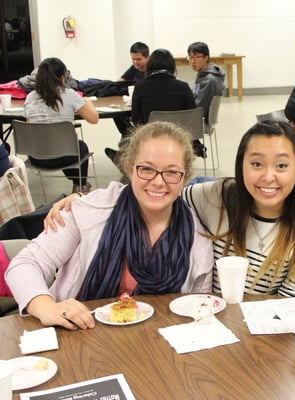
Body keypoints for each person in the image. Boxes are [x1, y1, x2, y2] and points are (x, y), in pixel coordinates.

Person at [44, 121, 295, 297]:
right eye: (256, 164)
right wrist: (86, 198)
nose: (268, 176)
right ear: (240, 167)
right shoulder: (217, 197)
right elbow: (159, 190)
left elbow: (289, 306)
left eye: (281, 165)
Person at [6, 121, 214, 330]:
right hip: (79, 334)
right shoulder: (90, 211)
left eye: (171, 172)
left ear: (185, 177)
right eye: (146, 169)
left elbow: (197, 315)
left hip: (157, 344)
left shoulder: (197, 242)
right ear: (130, 168)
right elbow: (24, 264)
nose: (158, 182)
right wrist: (47, 307)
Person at [23, 57, 98, 193]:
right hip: (65, 155)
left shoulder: (30, 97)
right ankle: (79, 185)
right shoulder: (69, 94)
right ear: (62, 78)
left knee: (61, 143)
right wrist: (87, 102)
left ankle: (78, 183)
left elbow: (30, 126)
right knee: (78, 146)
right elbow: (94, 119)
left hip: (36, 157)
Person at [107, 42, 151, 161]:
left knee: (128, 123)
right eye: (133, 59)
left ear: (148, 57)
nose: (136, 62)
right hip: (132, 105)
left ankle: (126, 152)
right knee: (117, 115)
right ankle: (127, 147)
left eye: (139, 59)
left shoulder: (151, 71)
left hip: (144, 110)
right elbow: (119, 82)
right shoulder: (134, 68)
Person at [130, 48, 195, 125]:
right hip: (177, 134)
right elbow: (193, 115)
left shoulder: (140, 88)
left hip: (150, 135)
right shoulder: (183, 87)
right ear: (171, 65)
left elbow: (135, 119)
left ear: (150, 65)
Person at [187, 41, 225, 158]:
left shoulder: (209, 80)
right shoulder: (203, 73)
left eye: (196, 57)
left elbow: (199, 108)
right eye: (190, 57)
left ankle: (192, 146)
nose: (192, 61)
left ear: (206, 58)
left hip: (201, 120)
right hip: (200, 116)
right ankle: (194, 144)